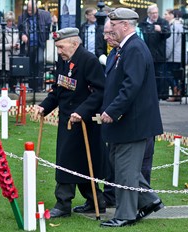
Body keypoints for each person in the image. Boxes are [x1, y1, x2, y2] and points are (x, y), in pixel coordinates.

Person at [100, 8, 164, 227]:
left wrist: (112, 110)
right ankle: (150, 200)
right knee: (119, 165)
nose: (110, 31)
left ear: (125, 25)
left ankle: (125, 215)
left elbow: (131, 86)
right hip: (126, 121)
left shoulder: (134, 48)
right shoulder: (126, 48)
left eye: (113, 26)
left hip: (133, 121)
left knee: (126, 170)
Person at [34, 27, 106, 218]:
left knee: (77, 161)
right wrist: (44, 106)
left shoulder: (89, 60)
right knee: (70, 160)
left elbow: (100, 91)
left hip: (84, 122)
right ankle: (95, 201)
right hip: (67, 120)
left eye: (61, 47)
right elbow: (59, 89)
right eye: (57, 47)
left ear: (74, 43)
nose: (59, 51)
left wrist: (81, 112)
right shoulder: (64, 61)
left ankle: (64, 203)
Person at [18, 0, 52, 92]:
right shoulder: (22, 17)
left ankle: (39, 86)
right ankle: (31, 86)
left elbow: (49, 28)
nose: (30, 12)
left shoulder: (44, 15)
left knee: (39, 62)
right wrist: (22, 35)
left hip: (40, 43)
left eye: (31, 10)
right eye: (28, 10)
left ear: (36, 8)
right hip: (28, 44)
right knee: (30, 64)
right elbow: (20, 30)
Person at [138, 5, 170, 100]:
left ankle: (159, 95)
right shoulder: (143, 23)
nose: (155, 15)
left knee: (159, 75)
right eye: (153, 13)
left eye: (156, 13)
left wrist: (161, 30)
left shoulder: (163, 22)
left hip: (159, 54)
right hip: (145, 53)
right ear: (148, 14)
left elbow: (168, 33)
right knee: (146, 75)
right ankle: (147, 95)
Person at [0, 11, 20, 92]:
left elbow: (17, 41)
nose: (10, 23)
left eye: (11, 21)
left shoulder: (15, 29)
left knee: (12, 76)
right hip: (1, 57)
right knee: (1, 76)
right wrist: (10, 46)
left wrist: (17, 46)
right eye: (8, 21)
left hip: (12, 56)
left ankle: (12, 90)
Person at [164, 9, 184, 102]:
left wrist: (166, 56)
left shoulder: (173, 26)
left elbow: (170, 44)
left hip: (173, 56)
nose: (165, 16)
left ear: (172, 15)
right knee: (175, 75)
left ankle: (176, 93)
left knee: (168, 74)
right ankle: (177, 93)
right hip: (178, 56)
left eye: (167, 14)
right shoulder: (179, 25)